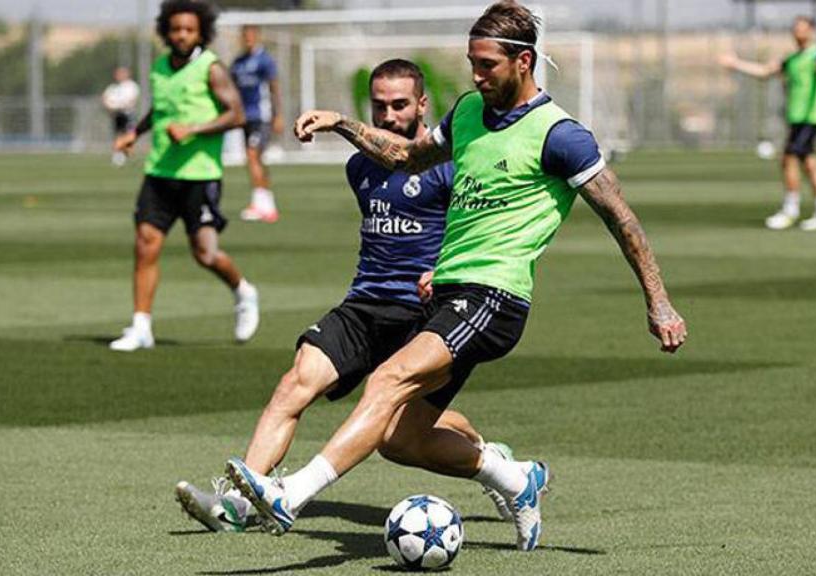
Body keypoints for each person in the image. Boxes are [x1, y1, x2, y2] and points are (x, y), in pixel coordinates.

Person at [228, 0, 687, 552]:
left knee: (386, 380)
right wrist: (342, 123)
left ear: (523, 62)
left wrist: (659, 302)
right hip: (448, 294)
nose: (476, 75)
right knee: (400, 439)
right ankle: (515, 478)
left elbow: (623, 219)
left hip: (495, 296)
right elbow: (407, 158)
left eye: (487, 64)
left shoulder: (561, 136)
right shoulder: (468, 111)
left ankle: (292, 494)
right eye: (472, 62)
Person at [175, 59, 531, 532]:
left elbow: (478, 227)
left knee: (402, 432)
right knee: (295, 382)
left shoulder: (450, 164)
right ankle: (237, 506)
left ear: (423, 105)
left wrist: (442, 270)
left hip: (428, 313)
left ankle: (489, 459)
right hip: (364, 304)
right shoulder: (359, 166)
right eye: (380, 106)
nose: (388, 115)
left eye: (400, 105)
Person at [109, 0, 259, 351]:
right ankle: (141, 326)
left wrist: (193, 129)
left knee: (205, 253)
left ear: (201, 32)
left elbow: (237, 115)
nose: (181, 35)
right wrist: (135, 133)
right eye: (176, 29)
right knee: (146, 243)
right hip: (159, 170)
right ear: (166, 31)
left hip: (200, 175)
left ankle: (243, 291)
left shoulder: (212, 68)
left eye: (189, 29)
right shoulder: (160, 67)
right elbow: (159, 109)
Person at [720, 16, 816, 231]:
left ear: (811, 31)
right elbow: (765, 72)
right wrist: (736, 64)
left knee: (788, 158)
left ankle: (791, 210)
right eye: (795, 28)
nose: (797, 32)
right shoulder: (792, 59)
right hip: (797, 118)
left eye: (802, 28)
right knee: (809, 163)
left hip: (811, 117)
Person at [230, 25, 283, 223]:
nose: (248, 40)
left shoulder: (264, 60)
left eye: (252, 36)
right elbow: (232, 89)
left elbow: (274, 88)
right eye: (245, 37)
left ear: (258, 37)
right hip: (245, 118)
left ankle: (259, 203)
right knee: (256, 159)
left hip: (262, 116)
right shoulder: (238, 63)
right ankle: (267, 205)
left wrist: (278, 115)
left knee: (252, 156)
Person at [101, 66, 141, 167]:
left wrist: (121, 105)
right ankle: (119, 155)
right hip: (116, 115)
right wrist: (109, 106)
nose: (119, 76)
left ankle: (125, 155)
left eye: (121, 73)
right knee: (117, 135)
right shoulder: (112, 87)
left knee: (127, 135)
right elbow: (105, 98)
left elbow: (132, 100)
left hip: (127, 114)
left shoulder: (131, 86)